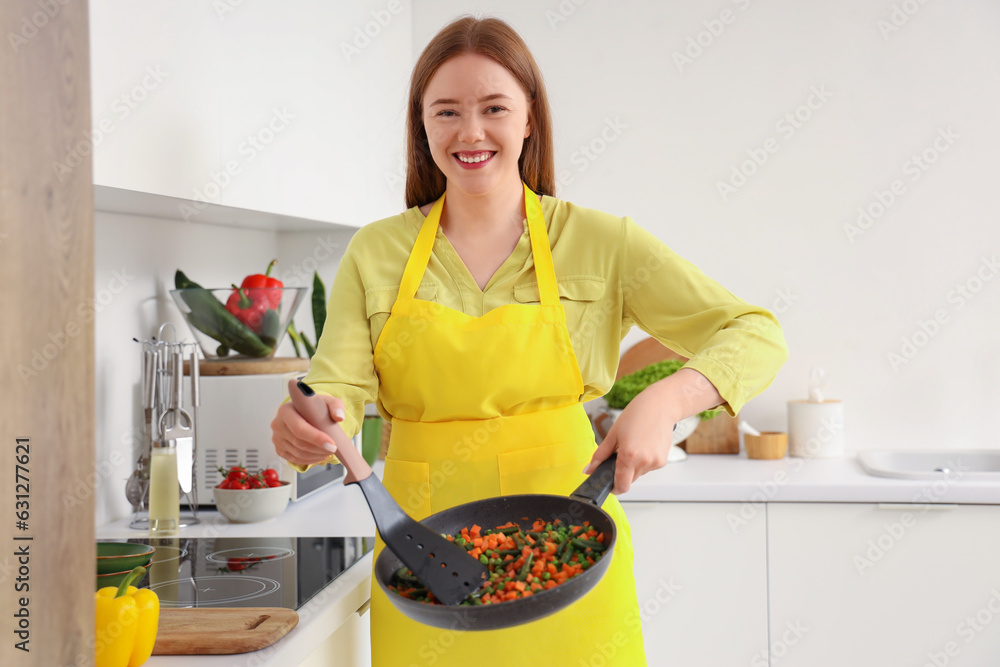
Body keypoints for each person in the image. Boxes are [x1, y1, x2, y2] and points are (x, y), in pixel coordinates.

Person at [271, 14, 788, 666]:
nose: (471, 132)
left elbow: (755, 330)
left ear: (529, 118)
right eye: (446, 112)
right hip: (424, 572)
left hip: (571, 568)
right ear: (421, 124)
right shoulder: (377, 252)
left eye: (494, 108)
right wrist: (311, 426)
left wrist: (666, 400)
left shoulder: (601, 242)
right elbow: (336, 388)